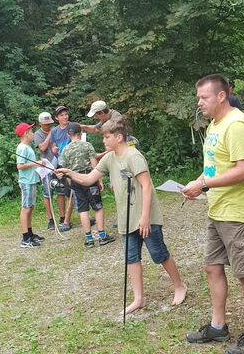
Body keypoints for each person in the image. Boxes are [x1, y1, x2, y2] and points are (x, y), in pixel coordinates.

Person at [56, 117, 186, 314]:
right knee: (131, 258)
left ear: (118, 137)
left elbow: (147, 186)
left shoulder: (134, 156)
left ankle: (179, 286)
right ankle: (139, 299)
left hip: (145, 216)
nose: (103, 141)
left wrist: (145, 217)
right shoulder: (109, 158)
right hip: (126, 217)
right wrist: (69, 173)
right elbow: (89, 179)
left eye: (106, 137)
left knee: (159, 253)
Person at [181, 74, 244, 354]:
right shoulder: (215, 125)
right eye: (198, 97)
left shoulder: (237, 124)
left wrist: (204, 184)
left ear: (221, 96)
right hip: (217, 209)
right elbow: (213, 167)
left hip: (238, 212)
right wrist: (197, 184)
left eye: (203, 97)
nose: (199, 102)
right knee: (212, 267)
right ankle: (218, 327)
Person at [61, 122, 115, 247]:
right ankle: (102, 236)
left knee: (83, 209)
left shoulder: (65, 150)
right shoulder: (87, 145)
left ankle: (89, 239)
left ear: (68, 135)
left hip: (75, 180)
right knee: (98, 207)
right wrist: (99, 180)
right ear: (80, 133)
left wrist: (70, 183)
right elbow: (94, 163)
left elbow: (65, 170)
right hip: (89, 178)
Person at [15, 123, 45, 248]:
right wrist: (36, 163)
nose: (33, 134)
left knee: (30, 207)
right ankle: (25, 239)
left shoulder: (27, 147)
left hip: (32, 181)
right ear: (26, 134)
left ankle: (30, 233)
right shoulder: (22, 148)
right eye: (31, 131)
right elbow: (20, 166)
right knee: (26, 208)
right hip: (26, 182)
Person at [34, 111, 63, 230]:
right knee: (47, 193)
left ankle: (62, 218)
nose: (48, 126)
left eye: (49, 124)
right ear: (40, 123)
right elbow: (42, 147)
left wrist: (57, 147)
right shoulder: (37, 134)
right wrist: (50, 134)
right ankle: (51, 219)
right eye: (45, 124)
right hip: (46, 168)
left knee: (61, 191)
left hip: (59, 165)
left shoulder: (57, 130)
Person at [50, 105, 73, 231]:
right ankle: (63, 218)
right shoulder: (54, 131)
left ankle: (68, 220)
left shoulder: (73, 126)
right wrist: (54, 149)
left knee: (73, 191)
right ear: (57, 118)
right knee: (62, 191)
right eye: (62, 115)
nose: (65, 117)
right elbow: (53, 146)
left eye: (66, 114)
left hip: (73, 163)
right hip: (60, 163)